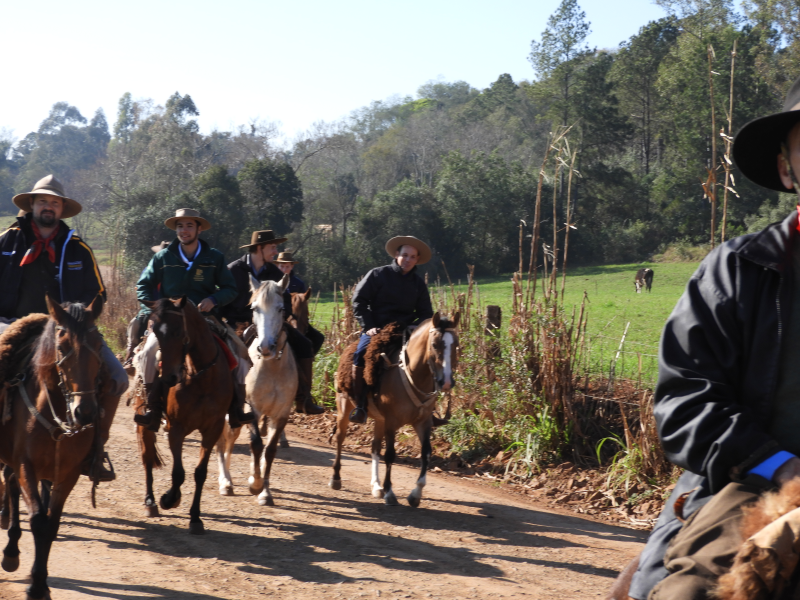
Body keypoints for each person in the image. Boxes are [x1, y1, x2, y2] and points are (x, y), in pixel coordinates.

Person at [629, 75, 800, 599]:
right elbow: (685, 400)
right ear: (786, 168)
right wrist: (783, 467)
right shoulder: (738, 270)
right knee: (691, 593)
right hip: (750, 484)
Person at [0, 174, 128, 482]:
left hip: (64, 328)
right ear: (31, 204)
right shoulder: (7, 240)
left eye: (54, 203)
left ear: (62, 209)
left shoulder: (78, 248)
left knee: (119, 378)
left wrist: (77, 314)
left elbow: (98, 291)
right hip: (10, 322)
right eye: (42, 201)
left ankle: (95, 452)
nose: (48, 207)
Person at [134, 209, 254, 431]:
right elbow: (143, 285)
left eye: (189, 225)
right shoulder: (162, 257)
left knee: (241, 354)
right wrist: (153, 310)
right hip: (170, 321)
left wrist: (213, 299)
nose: (184, 230)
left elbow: (230, 288)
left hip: (205, 319)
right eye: (180, 226)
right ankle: (152, 407)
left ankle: (237, 407)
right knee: (147, 354)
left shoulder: (214, 257)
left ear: (199, 229)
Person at [223, 230, 324, 415]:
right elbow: (224, 297)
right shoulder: (234, 270)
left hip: (271, 321)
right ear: (259, 248)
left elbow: (285, 300)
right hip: (239, 322)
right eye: (272, 247)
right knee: (226, 353)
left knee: (306, 343)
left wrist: (279, 315)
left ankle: (303, 397)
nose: (275, 252)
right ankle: (228, 399)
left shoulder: (274, 271)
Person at [348, 236, 434, 424]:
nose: (408, 260)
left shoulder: (418, 284)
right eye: (405, 255)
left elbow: (426, 313)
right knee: (361, 354)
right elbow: (359, 302)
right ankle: (361, 406)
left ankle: (428, 409)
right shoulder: (378, 275)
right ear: (397, 254)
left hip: (406, 331)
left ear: (417, 259)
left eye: (412, 256)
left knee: (429, 358)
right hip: (377, 329)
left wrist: (416, 325)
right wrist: (369, 326)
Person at [122, 241, 168, 367]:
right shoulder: (149, 270)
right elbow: (141, 288)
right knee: (136, 324)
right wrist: (149, 309)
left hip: (168, 309)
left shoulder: (174, 271)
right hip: (150, 307)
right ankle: (129, 356)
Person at [274, 251, 325, 355]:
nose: (284, 269)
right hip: (278, 317)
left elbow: (303, 303)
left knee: (319, 338)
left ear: (292, 266)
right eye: (281, 266)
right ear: (277, 266)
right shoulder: (273, 282)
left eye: (287, 266)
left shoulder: (298, 283)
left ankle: (307, 360)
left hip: (297, 318)